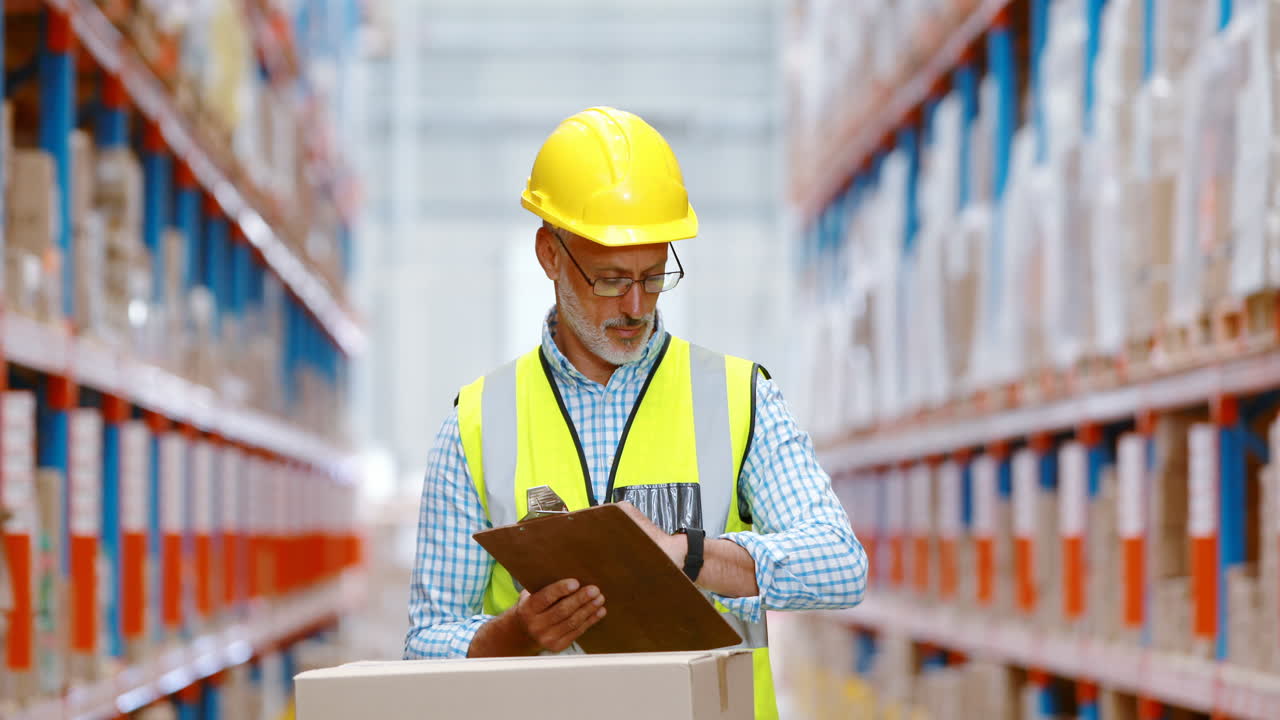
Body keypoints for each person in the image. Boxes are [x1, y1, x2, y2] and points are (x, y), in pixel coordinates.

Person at [404, 106, 867, 719]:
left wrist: (691, 555)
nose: (634, 304)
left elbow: (841, 564)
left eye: (654, 276)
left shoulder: (738, 395)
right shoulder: (477, 424)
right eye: (610, 278)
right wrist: (513, 634)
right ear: (550, 254)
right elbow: (424, 641)